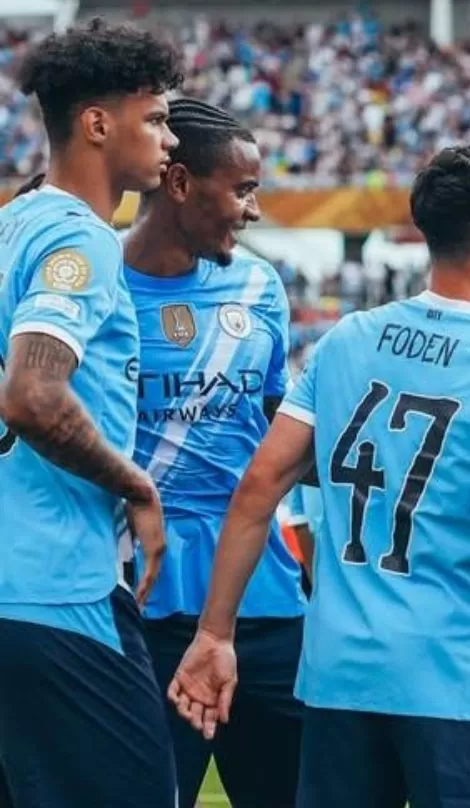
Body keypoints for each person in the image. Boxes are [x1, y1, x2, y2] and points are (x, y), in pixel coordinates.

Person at [166, 143, 470, 808]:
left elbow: (258, 488)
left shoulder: (346, 340)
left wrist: (215, 634)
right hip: (456, 681)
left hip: (340, 680)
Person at [0, 20, 183, 808]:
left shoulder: (11, 225)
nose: (170, 140)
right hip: (53, 591)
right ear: (99, 124)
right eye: (157, 119)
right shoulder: (82, 238)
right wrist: (135, 484)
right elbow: (33, 394)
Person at [121, 96, 305, 808]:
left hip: (265, 600)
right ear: (179, 183)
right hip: (143, 602)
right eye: (242, 190)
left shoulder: (260, 286)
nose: (253, 211)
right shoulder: (96, 284)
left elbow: (281, 436)